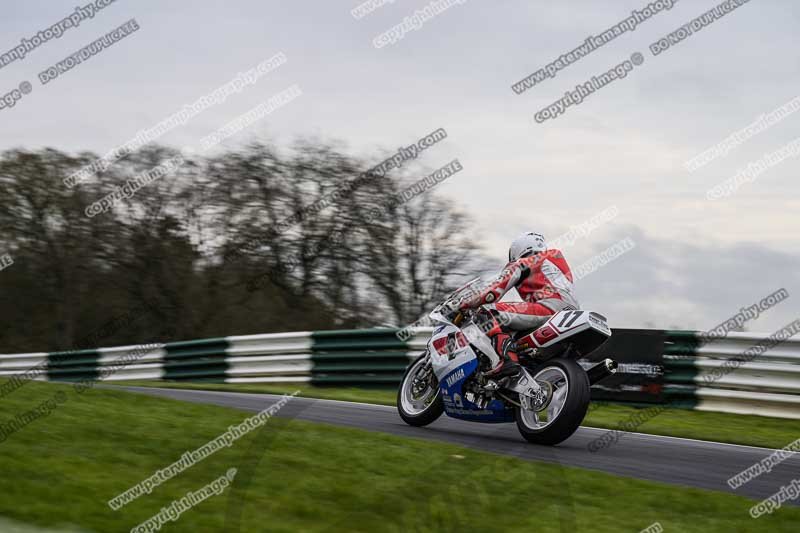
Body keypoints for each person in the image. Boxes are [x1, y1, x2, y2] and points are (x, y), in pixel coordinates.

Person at [457, 231, 579, 377]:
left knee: (486, 311)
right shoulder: (555, 260)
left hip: (549, 307)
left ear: (518, 250)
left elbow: (493, 290)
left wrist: (467, 303)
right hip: (572, 311)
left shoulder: (526, 262)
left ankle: (505, 362)